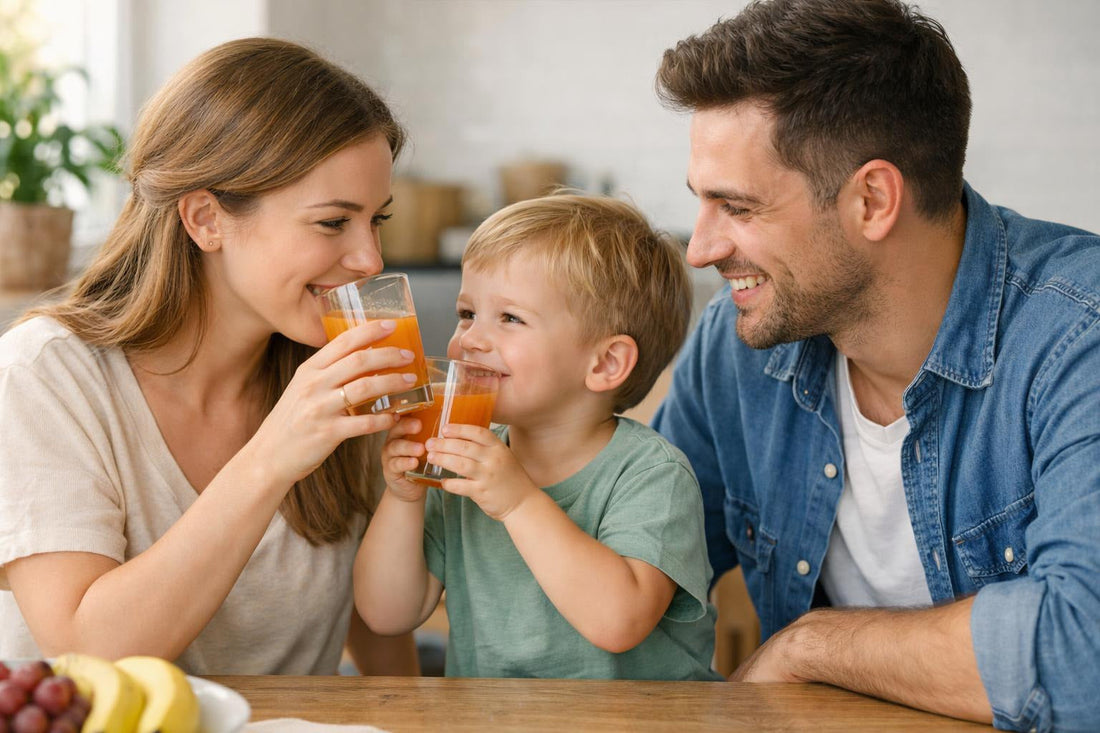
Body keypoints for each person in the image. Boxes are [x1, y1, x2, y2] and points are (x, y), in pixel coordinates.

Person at [651, 0, 1100, 730]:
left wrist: (811, 645)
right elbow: (635, 581)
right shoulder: (735, 347)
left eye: (735, 206)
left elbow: (1086, 655)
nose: (700, 248)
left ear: (872, 199)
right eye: (700, 204)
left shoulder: (1078, 337)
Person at [0, 37, 421, 675]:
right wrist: (271, 458)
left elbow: (381, 640)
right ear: (206, 220)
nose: (371, 260)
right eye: (334, 223)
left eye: (376, 221)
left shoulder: (345, 376)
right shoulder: (46, 376)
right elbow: (88, 653)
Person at [355, 193, 720, 680]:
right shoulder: (467, 459)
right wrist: (403, 499)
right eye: (468, 313)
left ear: (605, 363)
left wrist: (518, 503)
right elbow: (386, 614)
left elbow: (618, 622)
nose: (470, 340)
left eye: (509, 318)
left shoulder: (652, 475)